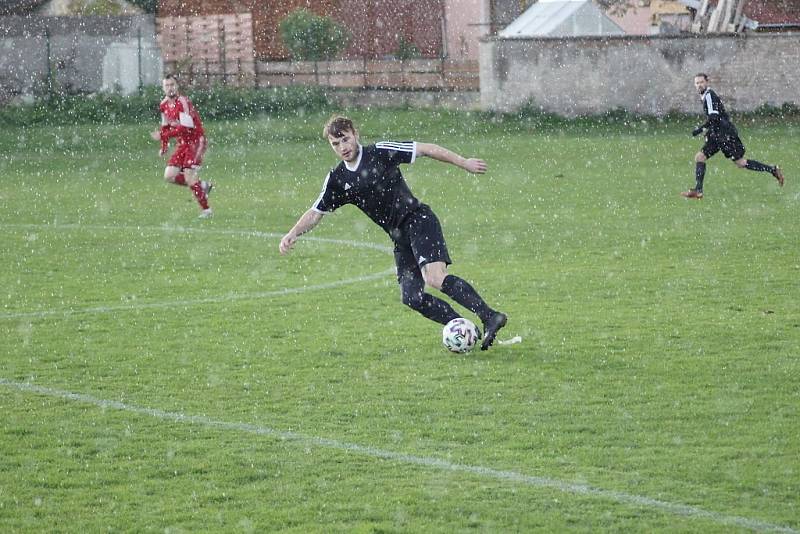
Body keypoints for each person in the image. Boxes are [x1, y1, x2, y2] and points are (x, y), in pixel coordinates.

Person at [279, 116, 508, 351]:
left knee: (435, 278)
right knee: (412, 298)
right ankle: (460, 329)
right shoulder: (338, 179)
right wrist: (293, 233)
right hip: (399, 239)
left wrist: (464, 162)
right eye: (335, 144)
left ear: (355, 134)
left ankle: (489, 316)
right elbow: (316, 212)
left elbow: (426, 149)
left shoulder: (380, 152)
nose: (343, 148)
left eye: (345, 140)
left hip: (418, 221)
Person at [682, 73, 784, 199]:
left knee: (740, 162)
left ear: (707, 82)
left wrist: (700, 129)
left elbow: (714, 117)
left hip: (725, 134)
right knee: (700, 157)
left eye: (701, 82)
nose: (699, 85)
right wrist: (709, 132)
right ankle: (698, 190)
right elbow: (717, 117)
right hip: (717, 134)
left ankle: (773, 170)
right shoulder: (705, 96)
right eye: (697, 83)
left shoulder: (709, 96)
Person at [150, 74, 214, 218]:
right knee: (169, 175)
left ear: (177, 86)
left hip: (196, 141)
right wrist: (164, 146)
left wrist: (163, 136)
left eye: (172, 85)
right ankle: (202, 186)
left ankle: (207, 210)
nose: (170, 88)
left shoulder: (183, 102)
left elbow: (185, 128)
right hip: (183, 144)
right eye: (167, 85)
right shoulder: (163, 105)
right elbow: (165, 126)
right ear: (163, 88)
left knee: (189, 175)